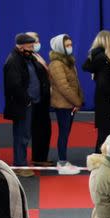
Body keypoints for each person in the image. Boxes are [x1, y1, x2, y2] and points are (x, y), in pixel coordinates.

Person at [3, 33, 39, 177]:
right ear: (21, 46)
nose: (32, 49)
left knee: (25, 134)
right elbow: (14, 85)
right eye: (30, 46)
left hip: (27, 103)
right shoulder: (13, 61)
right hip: (22, 105)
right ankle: (20, 164)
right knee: (21, 135)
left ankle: (21, 161)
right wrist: (27, 100)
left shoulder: (25, 57)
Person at [82, 31, 110, 154]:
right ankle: (100, 158)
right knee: (105, 132)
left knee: (106, 131)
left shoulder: (103, 58)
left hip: (106, 99)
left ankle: (103, 157)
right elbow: (103, 82)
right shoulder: (102, 59)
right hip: (106, 100)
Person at [48, 33, 83, 174]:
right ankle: (62, 163)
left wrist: (77, 101)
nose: (70, 47)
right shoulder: (56, 64)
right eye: (67, 45)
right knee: (63, 133)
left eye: (70, 44)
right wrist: (77, 101)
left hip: (70, 104)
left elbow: (75, 84)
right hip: (63, 105)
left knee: (66, 132)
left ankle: (63, 160)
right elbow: (64, 87)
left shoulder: (68, 61)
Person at [26, 32, 53, 167]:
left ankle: (41, 157)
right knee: (38, 129)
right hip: (36, 100)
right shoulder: (28, 59)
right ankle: (38, 158)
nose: (36, 44)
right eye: (33, 41)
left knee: (45, 129)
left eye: (37, 41)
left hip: (43, 100)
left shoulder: (37, 56)